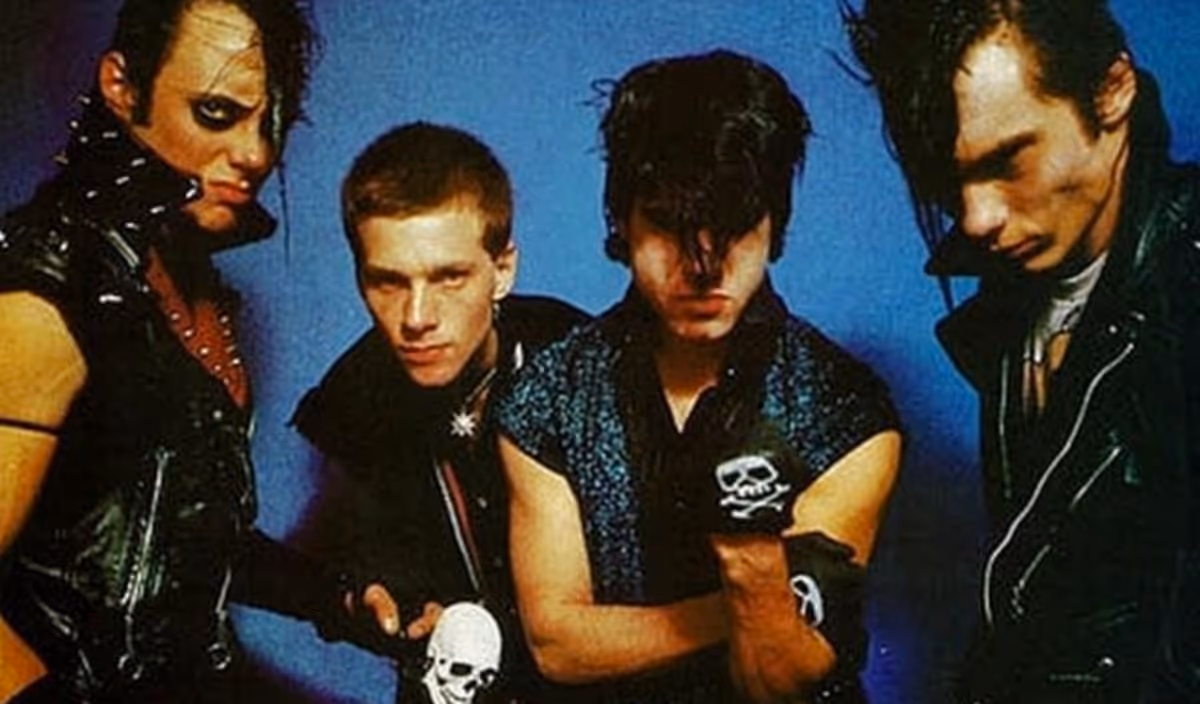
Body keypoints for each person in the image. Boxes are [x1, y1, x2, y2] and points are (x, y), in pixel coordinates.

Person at [0, 1, 386, 702]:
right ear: (122, 86)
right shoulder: (51, 285)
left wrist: (334, 597)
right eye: (215, 114)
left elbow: (174, 546)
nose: (256, 154)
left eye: (270, 124)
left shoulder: (190, 288)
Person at [493, 50, 902, 703]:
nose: (704, 266)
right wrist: (758, 596)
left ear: (775, 224)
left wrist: (750, 558)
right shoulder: (547, 396)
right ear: (621, 220)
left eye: (734, 225)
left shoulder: (845, 411)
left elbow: (781, 681)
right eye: (670, 223)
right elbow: (558, 646)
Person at [845, 0, 1200, 701]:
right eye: (951, 180)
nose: (976, 218)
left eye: (1009, 160)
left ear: (1112, 91)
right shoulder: (1021, 297)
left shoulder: (1184, 285)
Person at [291, 122, 588, 704]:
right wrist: (375, 594)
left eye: (449, 277)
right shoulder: (352, 396)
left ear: (503, 270)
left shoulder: (580, 359)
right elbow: (372, 561)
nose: (416, 317)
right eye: (387, 282)